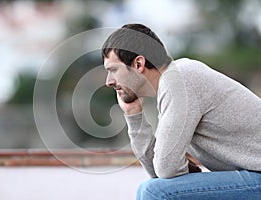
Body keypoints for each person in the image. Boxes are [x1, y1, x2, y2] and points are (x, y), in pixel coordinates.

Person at [101, 23, 261, 199]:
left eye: (113, 70)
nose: (109, 81)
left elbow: (165, 169)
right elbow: (160, 173)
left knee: (153, 192)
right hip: (253, 175)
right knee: (152, 189)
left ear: (139, 63)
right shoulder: (172, 85)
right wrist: (134, 115)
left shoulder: (179, 80)